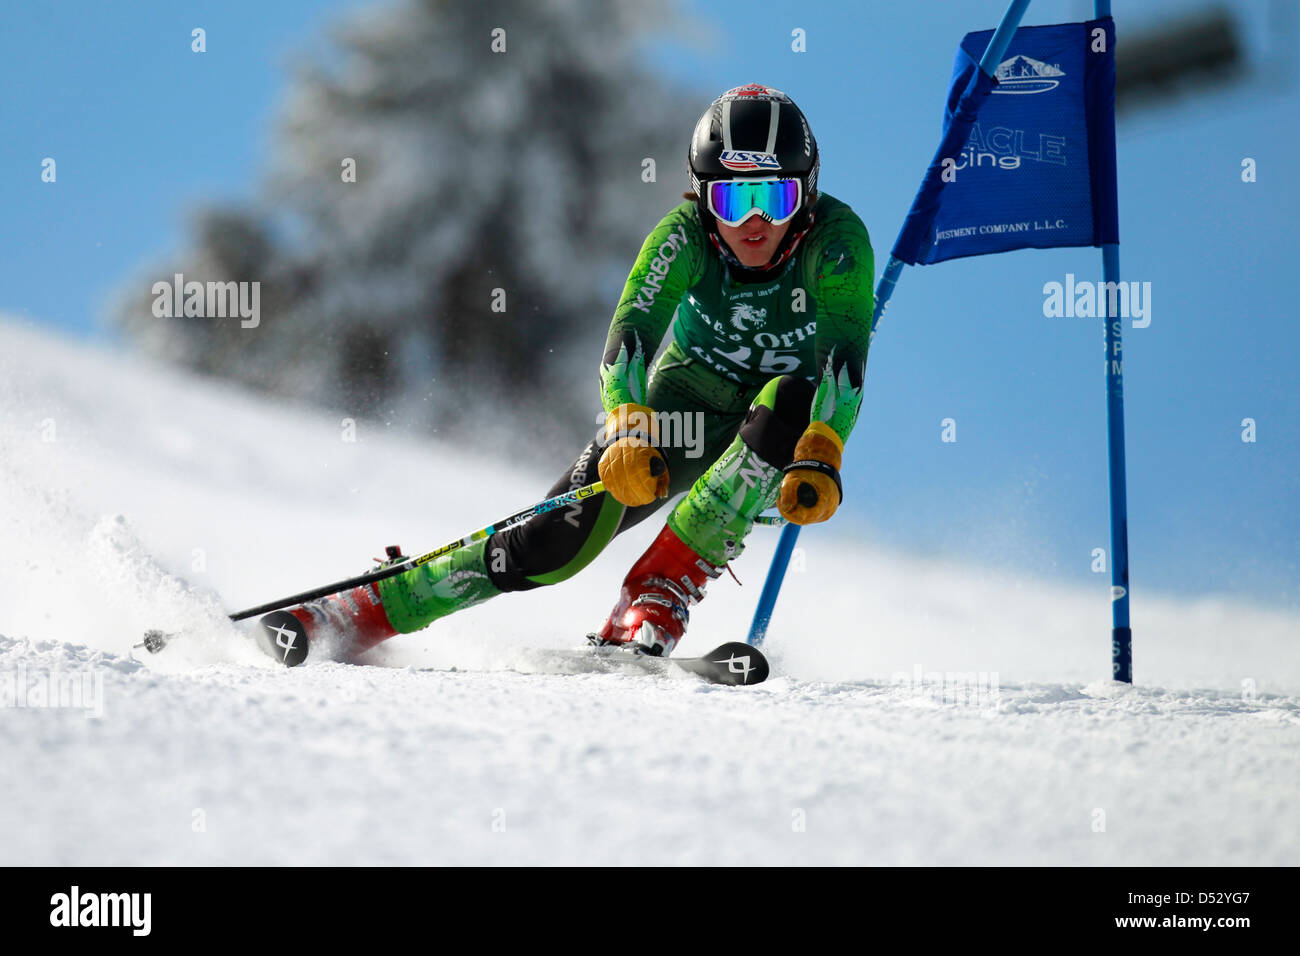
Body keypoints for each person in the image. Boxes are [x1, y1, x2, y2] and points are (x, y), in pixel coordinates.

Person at [274, 83, 874, 661]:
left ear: (807, 195)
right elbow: (629, 340)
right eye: (731, 200)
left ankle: (656, 592)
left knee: (795, 399)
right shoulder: (682, 236)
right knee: (553, 544)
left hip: (775, 429)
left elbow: (843, 362)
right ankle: (371, 605)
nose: (753, 223)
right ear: (702, 196)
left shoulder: (839, 242)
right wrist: (629, 427)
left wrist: (822, 449)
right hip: (684, 406)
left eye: (774, 198)